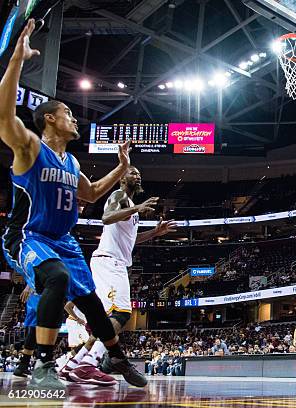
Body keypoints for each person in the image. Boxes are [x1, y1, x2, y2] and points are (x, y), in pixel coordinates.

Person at [0, 19, 146, 390]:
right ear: (49, 118)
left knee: (92, 302)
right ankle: (43, 364)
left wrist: (122, 168)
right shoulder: (31, 148)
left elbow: (93, 193)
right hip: (28, 235)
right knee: (57, 279)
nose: (74, 117)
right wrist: (16, 60)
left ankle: (117, 358)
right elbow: (4, 116)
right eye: (66, 112)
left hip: (63, 239)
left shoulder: (72, 162)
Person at [68, 166, 176, 383]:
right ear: (121, 178)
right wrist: (137, 208)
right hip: (109, 262)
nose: (137, 175)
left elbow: (131, 241)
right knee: (122, 313)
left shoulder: (129, 207)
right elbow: (106, 218)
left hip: (111, 263)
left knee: (106, 319)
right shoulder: (119, 196)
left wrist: (155, 232)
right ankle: (91, 363)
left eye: (138, 173)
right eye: (132, 172)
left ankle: (75, 362)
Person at [13, 285, 38, 378]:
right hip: (40, 296)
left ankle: (23, 365)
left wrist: (28, 287)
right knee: (39, 331)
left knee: (33, 331)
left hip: (34, 296)